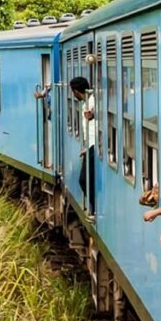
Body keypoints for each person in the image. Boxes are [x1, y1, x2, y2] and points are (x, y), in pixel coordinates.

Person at [71, 77, 96, 216]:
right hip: (90, 145)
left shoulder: (92, 101)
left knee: (83, 180)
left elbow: (93, 114)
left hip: (95, 145)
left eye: (73, 92)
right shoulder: (87, 101)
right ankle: (93, 206)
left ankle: (94, 208)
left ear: (76, 91)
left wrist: (92, 114)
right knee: (85, 179)